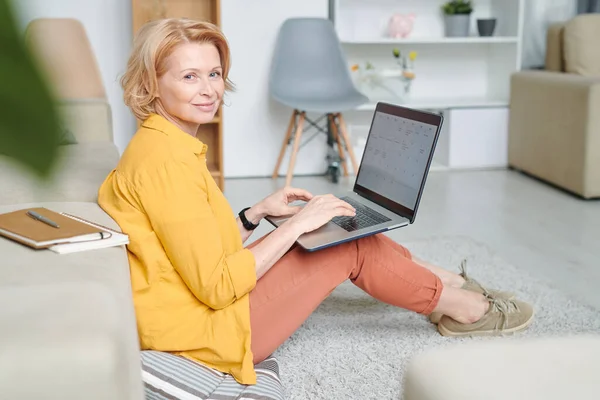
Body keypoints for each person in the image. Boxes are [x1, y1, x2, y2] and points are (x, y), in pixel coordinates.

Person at [97, 18, 534, 386]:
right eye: (189, 76)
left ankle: (444, 285)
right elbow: (216, 285)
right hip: (208, 334)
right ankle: (465, 310)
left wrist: (257, 214)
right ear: (151, 84)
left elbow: (192, 247)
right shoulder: (166, 163)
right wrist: (295, 226)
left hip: (197, 312)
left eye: (213, 73)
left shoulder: (164, 145)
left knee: (341, 224)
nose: (209, 89)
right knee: (346, 241)